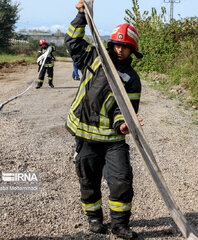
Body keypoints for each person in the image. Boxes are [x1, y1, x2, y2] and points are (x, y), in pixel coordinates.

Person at [64, 1, 143, 239]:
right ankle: (94, 218)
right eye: (117, 45)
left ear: (132, 50)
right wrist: (81, 16)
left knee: (121, 180)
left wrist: (124, 123)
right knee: (88, 178)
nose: (120, 50)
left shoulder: (131, 79)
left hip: (112, 139)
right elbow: (73, 43)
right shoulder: (95, 57)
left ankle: (119, 224)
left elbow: (124, 109)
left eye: (125, 47)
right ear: (111, 44)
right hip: (85, 133)